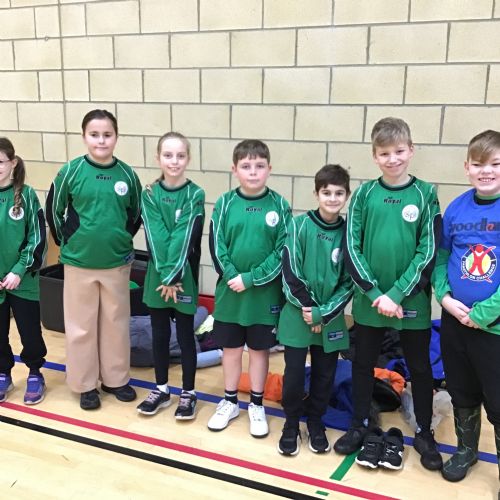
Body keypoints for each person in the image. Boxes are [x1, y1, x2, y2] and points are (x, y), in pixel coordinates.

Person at [333, 117, 443, 471]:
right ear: (374, 156)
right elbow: (352, 247)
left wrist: (395, 294)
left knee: (420, 368)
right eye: (384, 153)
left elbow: (428, 250)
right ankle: (360, 423)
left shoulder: (425, 194)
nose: (392, 159)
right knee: (363, 363)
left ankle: (424, 431)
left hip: (410, 302)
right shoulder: (364, 194)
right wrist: (376, 293)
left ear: (411, 150)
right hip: (370, 302)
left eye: (399, 151)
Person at [46, 109, 142, 410]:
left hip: (116, 262)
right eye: (95, 134)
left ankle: (115, 379)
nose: (101, 141)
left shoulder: (127, 175)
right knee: (81, 326)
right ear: (84, 136)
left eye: (107, 135)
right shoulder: (71, 171)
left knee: (116, 323)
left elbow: (135, 214)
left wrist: (120, 239)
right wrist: (67, 241)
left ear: (116, 137)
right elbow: (53, 209)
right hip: (79, 262)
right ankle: (85, 384)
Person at [207, 139, 291, 437]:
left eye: (259, 166)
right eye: (246, 166)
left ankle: (256, 405)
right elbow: (217, 244)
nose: (253, 172)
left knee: (258, 350)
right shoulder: (225, 203)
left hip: (264, 296)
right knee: (230, 350)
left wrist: (251, 278)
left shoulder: (280, 205)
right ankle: (230, 401)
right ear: (235, 170)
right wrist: (233, 276)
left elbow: (283, 251)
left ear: (269, 168)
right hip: (231, 293)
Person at [433, 130, 500, 489]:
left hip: (493, 328)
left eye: (495, 164)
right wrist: (444, 298)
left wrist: (484, 313)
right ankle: (465, 451)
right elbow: (441, 258)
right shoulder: (457, 208)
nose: (486, 171)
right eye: (478, 164)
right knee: (461, 390)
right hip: (455, 321)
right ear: (467, 167)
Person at [276, 164, 353, 456]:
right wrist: (310, 309)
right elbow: (290, 272)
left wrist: (324, 313)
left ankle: (316, 422)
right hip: (298, 314)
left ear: (346, 195)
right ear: (316, 193)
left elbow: (349, 281)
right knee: (294, 373)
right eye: (326, 192)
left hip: (330, 317)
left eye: (339, 193)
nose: (332, 198)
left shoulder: (349, 233)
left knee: (324, 374)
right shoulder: (298, 226)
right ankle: (291, 423)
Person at [136, 132, 205, 420]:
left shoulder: (195, 194)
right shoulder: (149, 193)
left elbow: (183, 236)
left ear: (188, 159)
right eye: (168, 155)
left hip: (182, 275)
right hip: (159, 277)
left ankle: (188, 392)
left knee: (186, 335)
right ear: (158, 158)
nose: (174, 161)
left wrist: (174, 277)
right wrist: (165, 277)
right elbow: (156, 235)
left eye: (180, 155)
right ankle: (162, 389)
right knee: (160, 334)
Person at [0, 137, 47, 405]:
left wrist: (18, 270)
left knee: (30, 332)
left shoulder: (27, 196)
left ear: (13, 163)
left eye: (0, 161)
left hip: (23, 280)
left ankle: (35, 373)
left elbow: (37, 237)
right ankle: (3, 373)